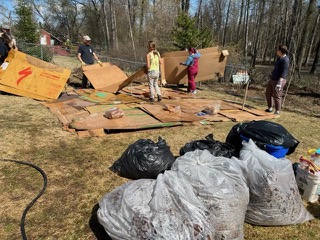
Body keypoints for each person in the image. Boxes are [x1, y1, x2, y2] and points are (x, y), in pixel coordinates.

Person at [265, 45, 289, 115]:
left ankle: (277, 110)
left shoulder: (285, 60)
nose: (276, 51)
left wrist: (280, 82)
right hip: (272, 79)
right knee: (268, 93)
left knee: (277, 95)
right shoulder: (279, 58)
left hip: (279, 80)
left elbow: (284, 71)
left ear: (281, 51)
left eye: (278, 50)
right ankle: (270, 108)